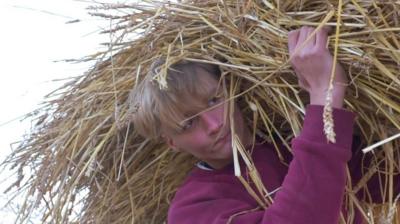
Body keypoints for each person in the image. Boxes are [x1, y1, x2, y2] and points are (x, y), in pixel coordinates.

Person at [129, 26, 394, 223]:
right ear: (172, 142)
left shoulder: (289, 140)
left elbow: (383, 179)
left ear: (231, 88)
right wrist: (325, 94)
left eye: (214, 100)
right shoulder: (192, 209)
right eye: (188, 124)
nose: (214, 124)